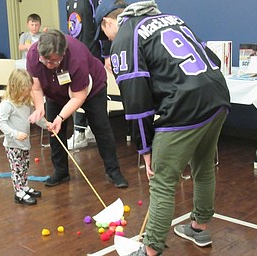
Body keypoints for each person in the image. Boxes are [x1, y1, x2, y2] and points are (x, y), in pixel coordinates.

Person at [95, 1, 231, 255]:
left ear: (108, 23)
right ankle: (199, 228)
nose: (107, 38)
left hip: (185, 106)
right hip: (218, 95)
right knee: (203, 167)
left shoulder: (125, 36)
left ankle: (150, 250)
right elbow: (211, 58)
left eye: (104, 32)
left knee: (162, 180)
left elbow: (136, 103)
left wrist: (146, 151)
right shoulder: (171, 18)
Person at [27, 29, 128, 188]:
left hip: (91, 90)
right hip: (55, 92)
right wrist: (40, 107)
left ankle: (113, 171)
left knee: (101, 128)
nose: (48, 65)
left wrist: (61, 118)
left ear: (63, 54)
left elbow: (78, 97)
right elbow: (36, 87)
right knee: (55, 131)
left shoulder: (76, 57)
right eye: (44, 60)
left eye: (53, 61)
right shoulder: (33, 54)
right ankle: (61, 172)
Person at [65, 0, 112, 150]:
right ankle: (84, 129)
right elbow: (72, 30)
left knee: (89, 92)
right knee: (76, 91)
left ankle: (81, 131)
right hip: (76, 56)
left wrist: (106, 54)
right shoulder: (69, 2)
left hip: (92, 55)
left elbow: (102, 24)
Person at [0, 69, 44, 205]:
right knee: (17, 169)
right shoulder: (7, 104)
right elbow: (1, 123)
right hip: (13, 144)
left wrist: (48, 125)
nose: (27, 93)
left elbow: (36, 117)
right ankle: (18, 193)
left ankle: (24, 187)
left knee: (24, 166)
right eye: (24, 89)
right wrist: (15, 134)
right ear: (14, 87)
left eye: (28, 89)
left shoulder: (25, 103)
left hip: (25, 143)